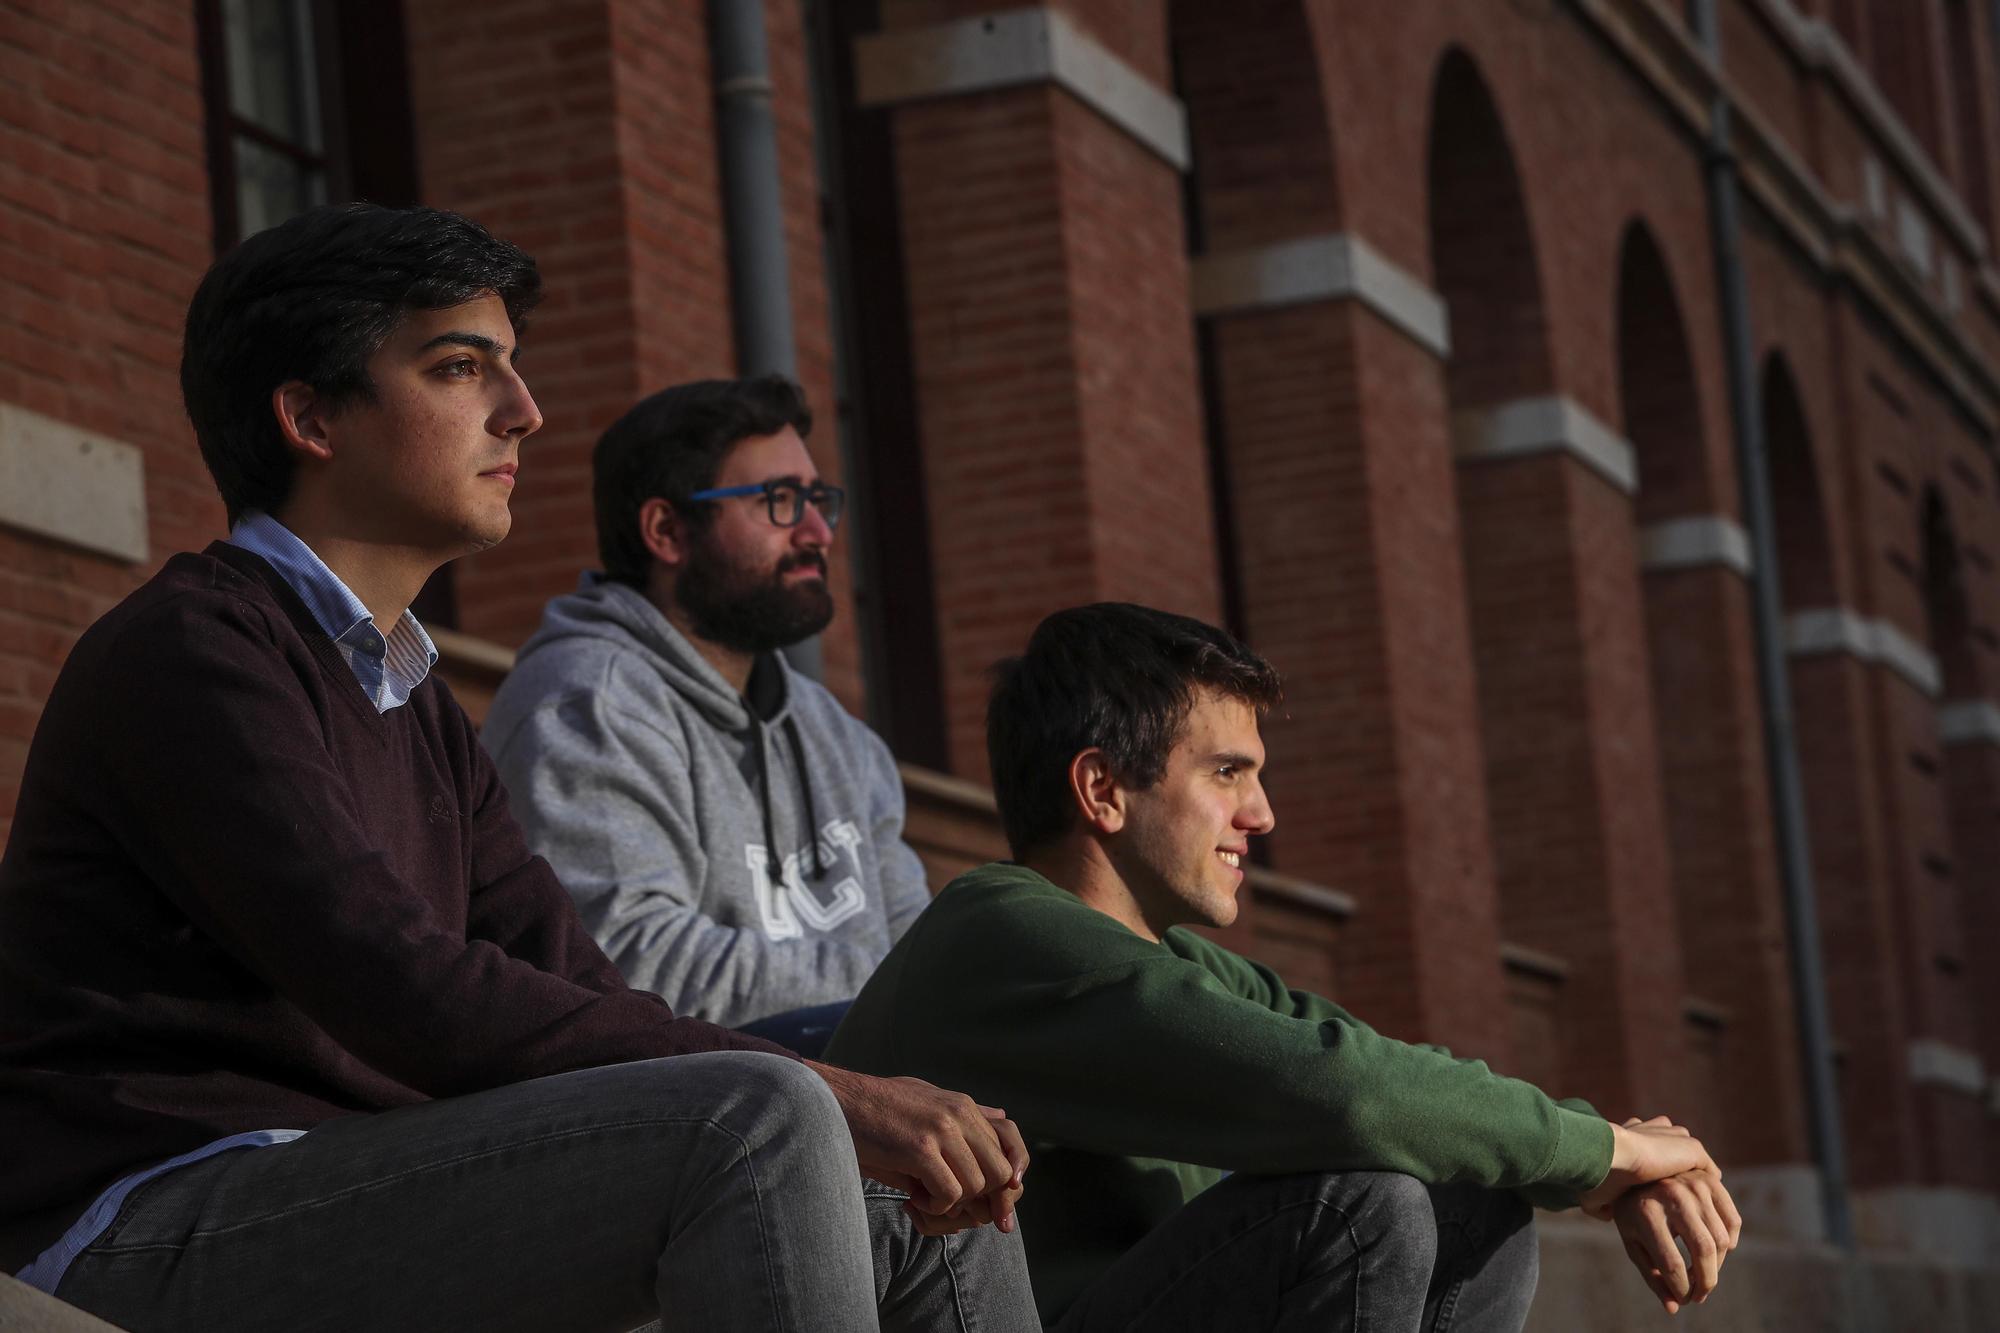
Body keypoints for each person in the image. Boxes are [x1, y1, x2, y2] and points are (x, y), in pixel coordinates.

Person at [0, 202, 1036, 1333]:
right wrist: (828, 1093)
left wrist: (874, 1115)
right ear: (308, 416)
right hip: (147, 1213)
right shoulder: (194, 653)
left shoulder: (418, 704)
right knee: (768, 1118)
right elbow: (404, 987)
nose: (525, 413)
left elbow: (574, 979)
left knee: (921, 1189)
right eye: (459, 367)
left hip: (360, 1178)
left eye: (514, 369)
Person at [826, 602, 1742, 1331]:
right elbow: (1342, 1093)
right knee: (1354, 1199)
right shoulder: (1003, 933)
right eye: (1227, 773)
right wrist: (1608, 1158)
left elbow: (1391, 1077)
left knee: (1467, 1179)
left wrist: (1602, 1148)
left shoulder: (1177, 959)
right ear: (1101, 789)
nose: (1261, 815)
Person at [483, 376, 929, 1050]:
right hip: (690, 1130)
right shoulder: (586, 703)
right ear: (667, 531)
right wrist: (898, 991)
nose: (817, 532)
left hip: (854, 1111)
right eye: (779, 501)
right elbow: (630, 963)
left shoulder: (840, 737)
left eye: (817, 501)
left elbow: (920, 945)